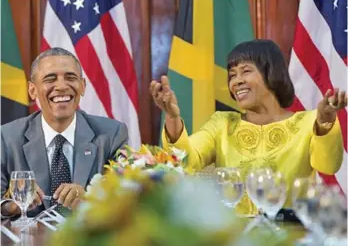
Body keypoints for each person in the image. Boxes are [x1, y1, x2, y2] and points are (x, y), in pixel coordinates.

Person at [150, 39, 346, 215]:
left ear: (271, 72)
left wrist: (326, 120)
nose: (236, 81)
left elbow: (328, 165)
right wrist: (172, 117)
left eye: (246, 71)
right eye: (232, 75)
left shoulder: (308, 122)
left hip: (292, 235)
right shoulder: (222, 124)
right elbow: (185, 162)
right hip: (236, 236)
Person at [1, 47, 128, 218]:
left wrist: (92, 200)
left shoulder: (112, 135)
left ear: (82, 86)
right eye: (50, 79)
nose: (61, 86)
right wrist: (13, 205)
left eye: (70, 78)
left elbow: (127, 200)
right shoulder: (6, 138)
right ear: (32, 90)